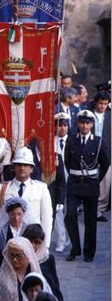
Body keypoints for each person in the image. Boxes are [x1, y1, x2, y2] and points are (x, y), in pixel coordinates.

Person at [64, 110, 109, 262]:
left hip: (91, 185)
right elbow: (67, 161)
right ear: (77, 123)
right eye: (82, 122)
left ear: (91, 124)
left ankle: (89, 253)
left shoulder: (98, 141)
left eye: (87, 123)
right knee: (70, 214)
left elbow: (105, 163)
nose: (84, 126)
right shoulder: (71, 140)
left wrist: (96, 179)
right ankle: (75, 248)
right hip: (75, 184)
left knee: (90, 220)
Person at [0, 147, 53, 251]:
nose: (22, 168)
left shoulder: (41, 188)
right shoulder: (3, 188)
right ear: (13, 167)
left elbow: (47, 219)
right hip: (8, 242)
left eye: (26, 165)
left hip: (32, 241)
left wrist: (45, 246)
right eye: (19, 164)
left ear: (32, 168)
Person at [22, 224, 68, 301]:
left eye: (37, 242)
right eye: (30, 241)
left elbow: (55, 288)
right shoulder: (19, 258)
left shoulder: (47, 258)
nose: (33, 246)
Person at [0, 197, 28, 264]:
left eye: (19, 214)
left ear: (24, 213)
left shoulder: (29, 231)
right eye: (13, 214)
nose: (16, 218)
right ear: (8, 214)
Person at [92, 91, 111, 222]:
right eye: (101, 103)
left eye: (105, 104)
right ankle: (91, 209)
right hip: (90, 153)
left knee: (105, 185)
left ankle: (98, 211)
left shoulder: (110, 116)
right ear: (96, 102)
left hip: (107, 153)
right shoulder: (88, 114)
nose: (103, 106)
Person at [53, 113, 71, 252]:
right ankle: (60, 241)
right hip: (57, 181)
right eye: (59, 125)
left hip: (71, 180)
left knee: (70, 212)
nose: (62, 128)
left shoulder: (73, 141)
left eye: (65, 125)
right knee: (57, 210)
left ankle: (70, 237)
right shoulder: (50, 142)